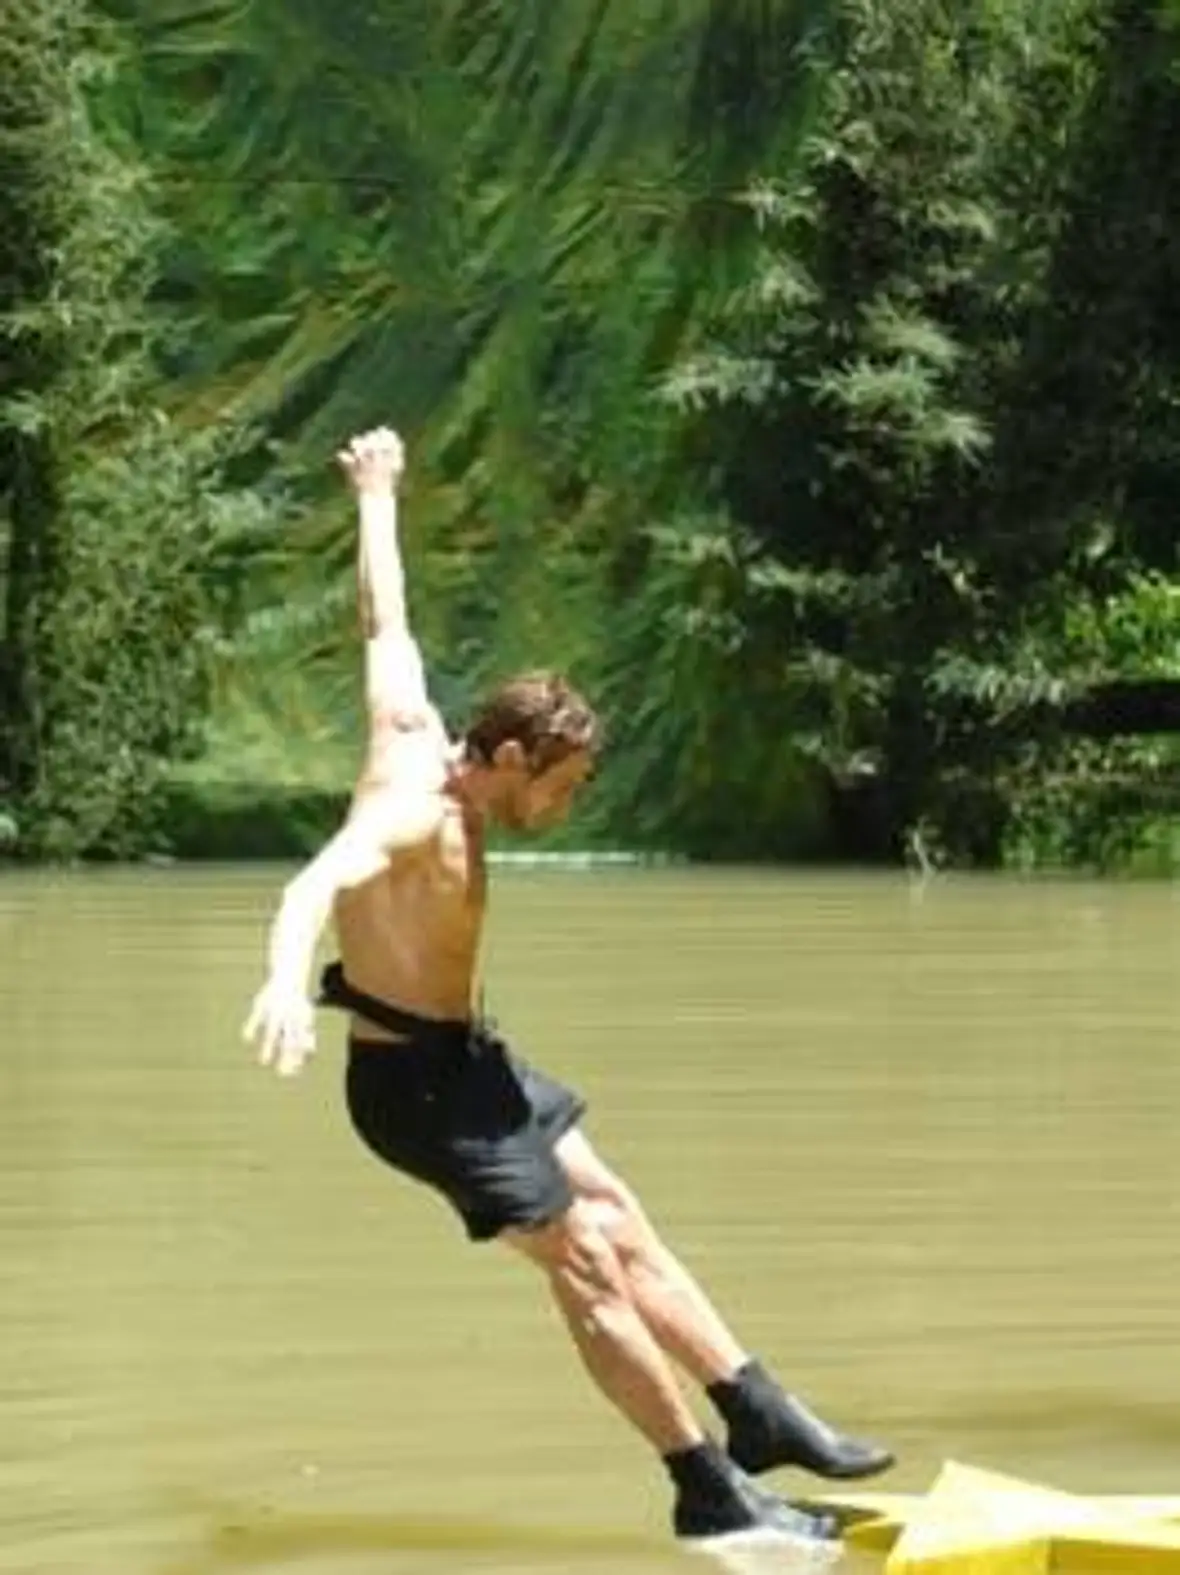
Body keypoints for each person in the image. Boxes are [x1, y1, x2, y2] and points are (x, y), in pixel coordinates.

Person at [242, 426, 894, 1548]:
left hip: (472, 1066)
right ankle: (704, 1490)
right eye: (566, 783)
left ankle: (755, 1408)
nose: (569, 803)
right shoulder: (412, 813)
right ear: (509, 759)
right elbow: (315, 882)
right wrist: (284, 983)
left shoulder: (413, 725)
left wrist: (378, 495)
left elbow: (385, 624)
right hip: (414, 1094)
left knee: (616, 1209)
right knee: (584, 1259)